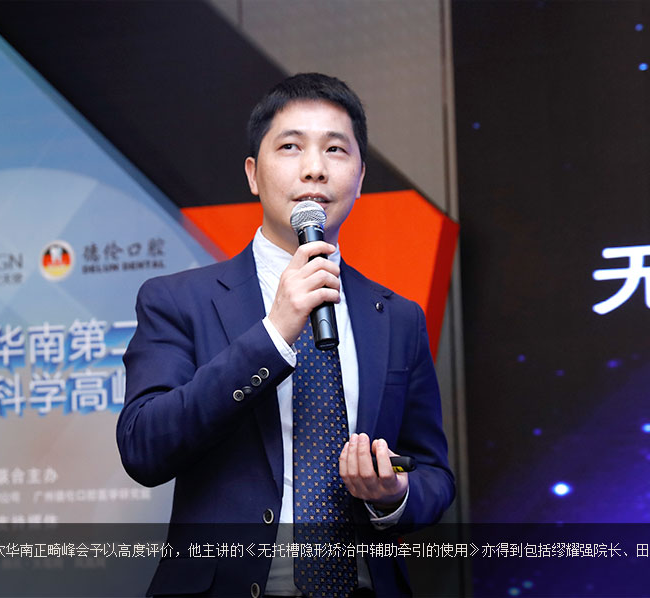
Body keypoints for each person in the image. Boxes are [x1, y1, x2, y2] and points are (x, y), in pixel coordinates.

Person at [117, 73, 454, 597]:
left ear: (360, 178)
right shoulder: (178, 300)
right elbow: (144, 447)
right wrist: (274, 333)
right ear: (253, 174)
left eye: (335, 149)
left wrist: (392, 493)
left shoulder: (398, 318)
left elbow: (434, 473)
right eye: (291, 146)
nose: (315, 168)